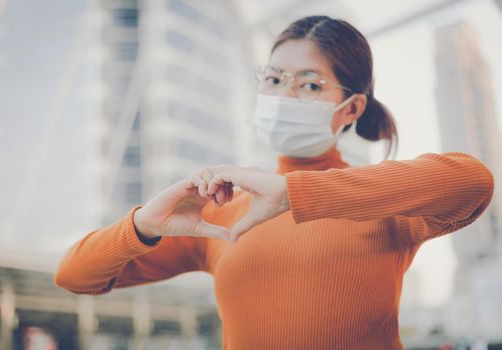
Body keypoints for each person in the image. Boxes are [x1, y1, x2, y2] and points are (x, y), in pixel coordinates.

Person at [54, 15, 494, 349]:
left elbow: (473, 181)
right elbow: (74, 275)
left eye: (309, 85)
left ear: (352, 109)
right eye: (273, 79)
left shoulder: (376, 198)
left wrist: (295, 193)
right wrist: (145, 223)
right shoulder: (218, 214)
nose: (283, 96)